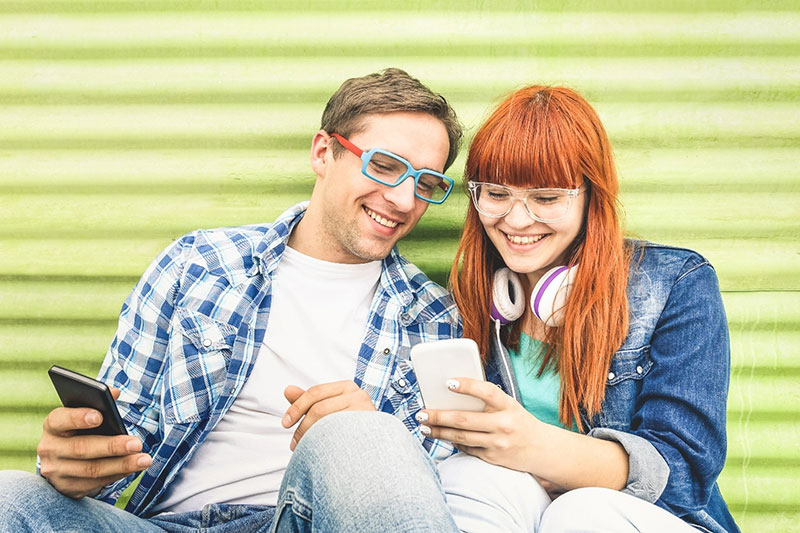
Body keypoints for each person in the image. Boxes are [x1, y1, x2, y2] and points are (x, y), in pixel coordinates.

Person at [0, 68, 468, 532]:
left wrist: (374, 437)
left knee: (361, 434)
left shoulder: (435, 321)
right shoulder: (198, 263)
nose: (406, 200)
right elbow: (123, 432)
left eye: (426, 183)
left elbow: (427, 490)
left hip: (301, 523)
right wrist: (73, 465)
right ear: (324, 152)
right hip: (162, 525)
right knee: (10, 496)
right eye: (384, 165)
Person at [420, 86, 740, 532]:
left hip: (649, 519)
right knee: (467, 475)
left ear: (592, 195)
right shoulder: (472, 300)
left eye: (546, 198)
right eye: (496, 194)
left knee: (581, 512)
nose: (515, 220)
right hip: (528, 515)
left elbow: (684, 473)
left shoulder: (676, 284)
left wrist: (535, 447)